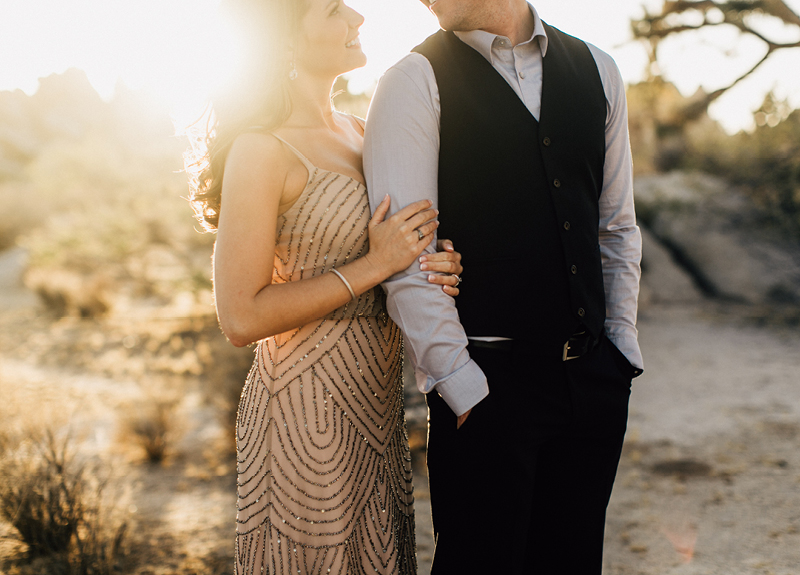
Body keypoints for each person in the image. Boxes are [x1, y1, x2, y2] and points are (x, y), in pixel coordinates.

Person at [185, 0, 466, 573]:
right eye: (335, 9)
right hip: (303, 409)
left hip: (379, 402)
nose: (358, 18)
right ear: (285, 40)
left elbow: (400, 253)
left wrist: (437, 264)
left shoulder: (365, 133)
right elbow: (240, 317)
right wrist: (375, 264)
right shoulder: (262, 150)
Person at [364, 1, 644, 573]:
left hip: (593, 384)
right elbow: (409, 257)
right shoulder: (411, 82)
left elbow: (615, 228)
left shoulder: (598, 68)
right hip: (486, 392)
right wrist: (462, 386)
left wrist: (620, 350)